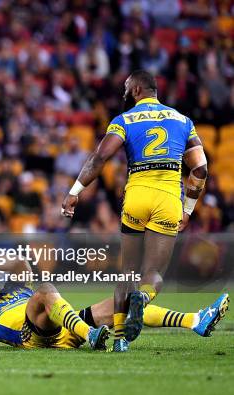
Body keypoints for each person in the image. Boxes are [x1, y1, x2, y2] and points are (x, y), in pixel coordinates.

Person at [61, 70, 209, 351]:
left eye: (127, 88)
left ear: (138, 90)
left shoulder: (124, 120)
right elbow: (200, 168)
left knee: (127, 272)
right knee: (153, 273)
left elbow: (100, 157)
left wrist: (74, 192)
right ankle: (143, 297)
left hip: (136, 196)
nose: (124, 93)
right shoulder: (183, 120)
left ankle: (119, 342)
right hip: (168, 198)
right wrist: (188, 209)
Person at [0, 232, 229, 350]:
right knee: (46, 290)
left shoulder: (14, 285)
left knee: (123, 300)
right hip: (32, 335)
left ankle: (193, 321)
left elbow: (21, 260)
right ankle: (91, 335)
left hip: (63, 326)